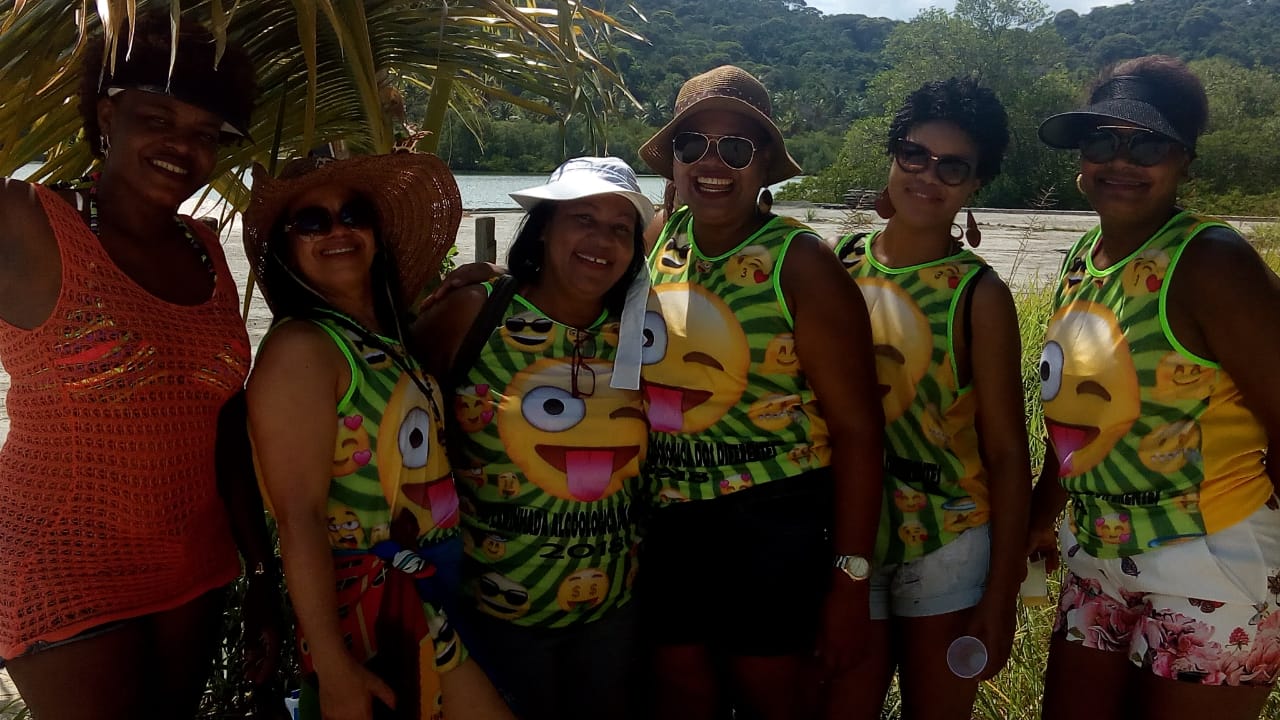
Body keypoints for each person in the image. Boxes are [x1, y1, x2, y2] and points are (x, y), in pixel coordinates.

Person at [0, 12, 282, 719]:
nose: (183, 147)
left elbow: (222, 426)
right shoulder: (28, 219)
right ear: (107, 116)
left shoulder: (205, 250)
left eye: (206, 134)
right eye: (159, 120)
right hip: (63, 564)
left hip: (195, 566)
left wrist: (262, 568)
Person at [1028, 55, 1280, 720]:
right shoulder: (1082, 260)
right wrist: (1037, 518)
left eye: (1148, 144)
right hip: (1098, 556)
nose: (1121, 160)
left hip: (1211, 560)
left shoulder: (1212, 261)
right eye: (1102, 140)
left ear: (1185, 161)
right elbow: (1075, 426)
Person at [634, 64, 884, 719]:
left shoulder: (801, 262)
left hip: (772, 522)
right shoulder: (660, 241)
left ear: (765, 163)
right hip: (671, 520)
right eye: (693, 144)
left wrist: (851, 580)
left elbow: (859, 430)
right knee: (681, 688)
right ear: (674, 161)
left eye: (737, 148)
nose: (712, 163)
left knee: (770, 693)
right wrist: (491, 283)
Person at [244, 152, 512, 720]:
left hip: (429, 584)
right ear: (285, 248)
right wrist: (334, 665)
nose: (337, 230)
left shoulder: (376, 338)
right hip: (375, 602)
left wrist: (490, 276)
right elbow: (298, 517)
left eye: (354, 214)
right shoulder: (302, 349)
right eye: (311, 222)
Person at [413, 156, 652, 720]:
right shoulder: (476, 312)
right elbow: (400, 415)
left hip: (613, 612)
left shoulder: (639, 330)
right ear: (543, 226)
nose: (602, 240)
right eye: (583, 219)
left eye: (620, 228)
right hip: (494, 610)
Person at [827, 78, 1029, 720]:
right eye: (914, 155)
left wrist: (1001, 595)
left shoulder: (980, 296)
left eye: (953, 167)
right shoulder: (839, 263)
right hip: (851, 534)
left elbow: (1007, 452)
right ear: (893, 157)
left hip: (948, 543)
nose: (928, 176)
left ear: (976, 184)